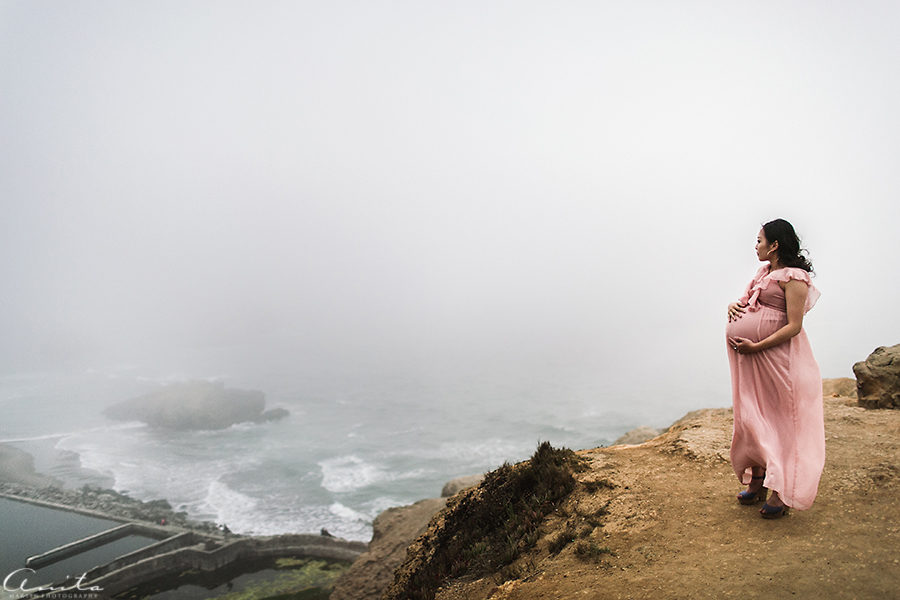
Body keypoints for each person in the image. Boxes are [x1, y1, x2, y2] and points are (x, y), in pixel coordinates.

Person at [725, 218, 825, 519]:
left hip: (776, 360)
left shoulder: (794, 278)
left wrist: (757, 345)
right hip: (749, 359)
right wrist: (731, 307)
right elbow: (747, 304)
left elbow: (794, 326)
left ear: (775, 244)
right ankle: (758, 479)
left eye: (759, 240)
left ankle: (781, 492)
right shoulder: (763, 272)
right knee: (752, 416)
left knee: (780, 422)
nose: (756, 246)